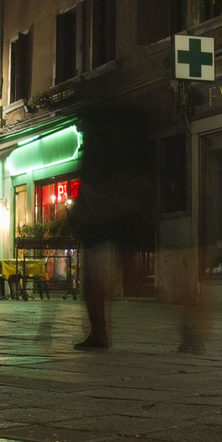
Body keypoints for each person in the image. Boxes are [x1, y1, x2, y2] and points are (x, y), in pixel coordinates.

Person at [72, 98, 158, 350]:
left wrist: (84, 198)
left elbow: (90, 168)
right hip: (130, 199)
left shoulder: (97, 130)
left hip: (101, 202)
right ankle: (191, 333)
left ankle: (100, 332)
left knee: (93, 271)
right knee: (125, 262)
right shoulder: (135, 127)